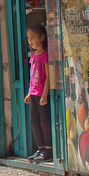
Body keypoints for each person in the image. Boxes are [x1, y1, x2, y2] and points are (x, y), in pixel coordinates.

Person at [24, 24, 52, 163]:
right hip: (34, 94)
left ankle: (48, 148)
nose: (30, 41)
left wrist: (44, 95)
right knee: (34, 122)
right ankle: (40, 147)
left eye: (33, 37)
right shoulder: (34, 55)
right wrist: (29, 93)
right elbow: (32, 75)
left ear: (42, 37)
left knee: (45, 122)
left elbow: (48, 77)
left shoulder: (45, 55)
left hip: (42, 95)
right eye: (29, 38)